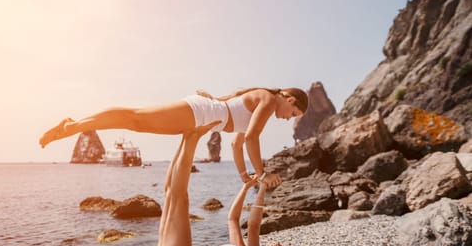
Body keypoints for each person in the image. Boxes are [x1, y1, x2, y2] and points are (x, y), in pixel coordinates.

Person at [39, 87, 308, 187]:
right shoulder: (269, 99)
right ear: (290, 98)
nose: (287, 118)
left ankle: (74, 125)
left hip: (202, 117)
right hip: (199, 113)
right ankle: (73, 126)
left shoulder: (262, 104)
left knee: (138, 122)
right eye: (292, 112)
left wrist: (244, 176)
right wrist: (261, 173)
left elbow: (238, 143)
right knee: (136, 118)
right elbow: (251, 138)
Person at [155, 121, 315, 246]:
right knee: (170, 193)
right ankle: (186, 136)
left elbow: (253, 227)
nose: (278, 244)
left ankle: (192, 138)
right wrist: (245, 188)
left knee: (180, 197)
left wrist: (263, 188)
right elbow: (233, 219)